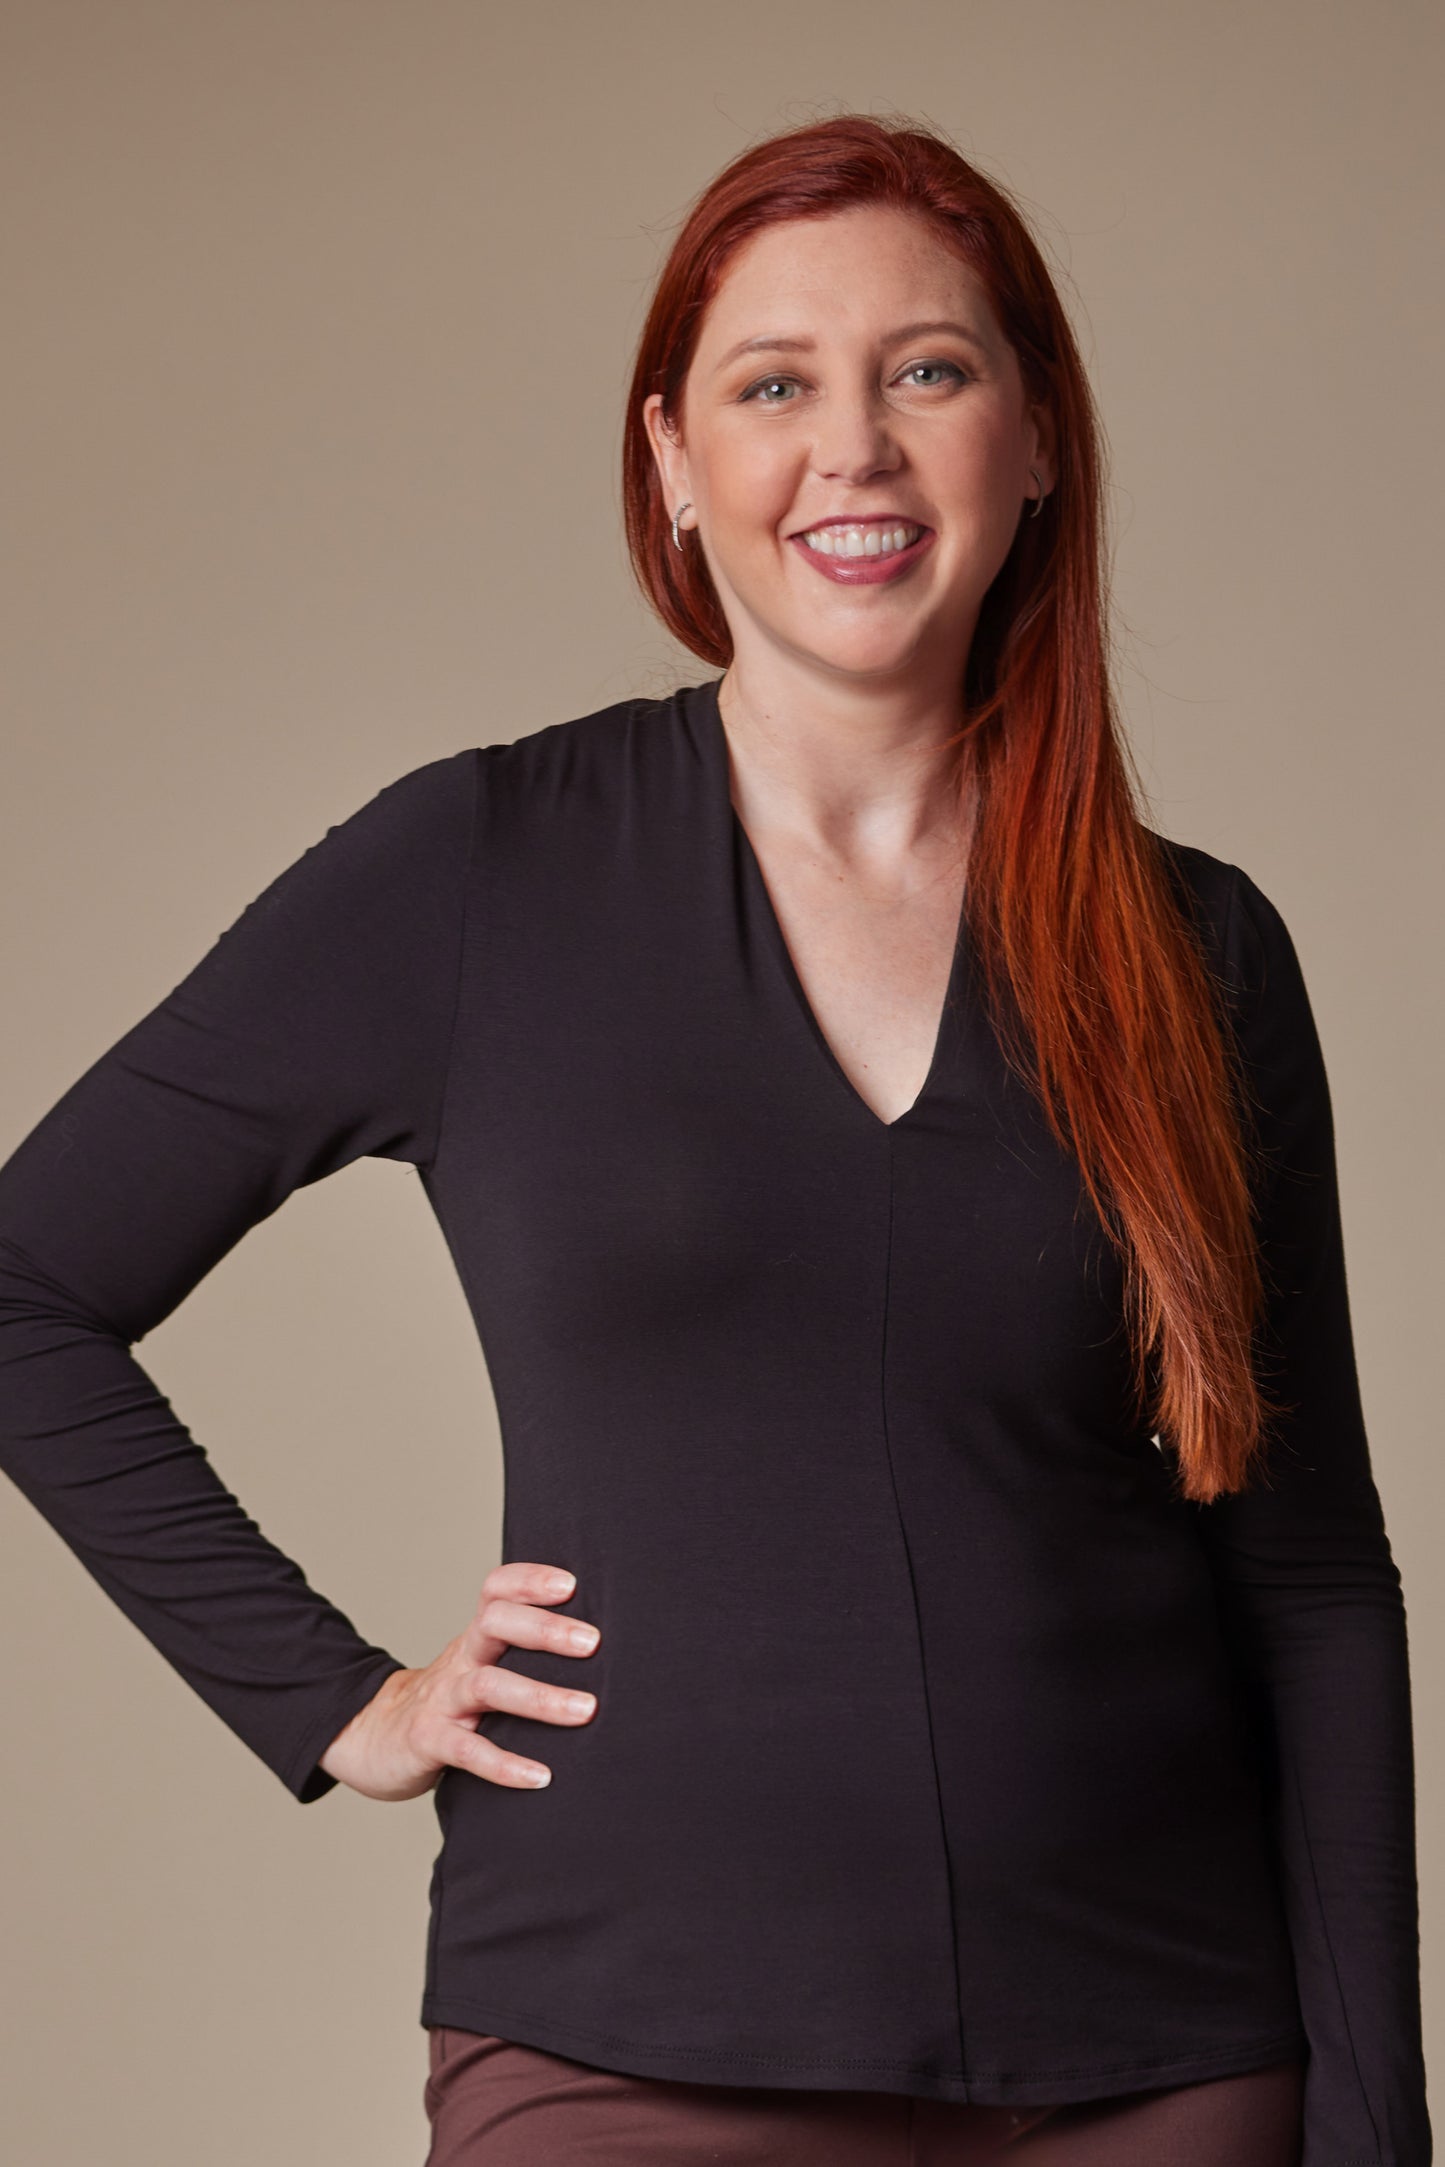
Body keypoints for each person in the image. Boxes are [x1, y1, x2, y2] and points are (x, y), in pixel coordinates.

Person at [0, 112, 1429, 2167]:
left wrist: (1376, 2120)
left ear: (1036, 442)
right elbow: (26, 1279)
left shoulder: (1200, 946)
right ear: (675, 463)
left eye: (928, 371)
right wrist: (336, 1697)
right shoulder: (476, 869)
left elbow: (1306, 1572)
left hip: (1171, 2060)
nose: (853, 446)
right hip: (626, 2050)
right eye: (776, 385)